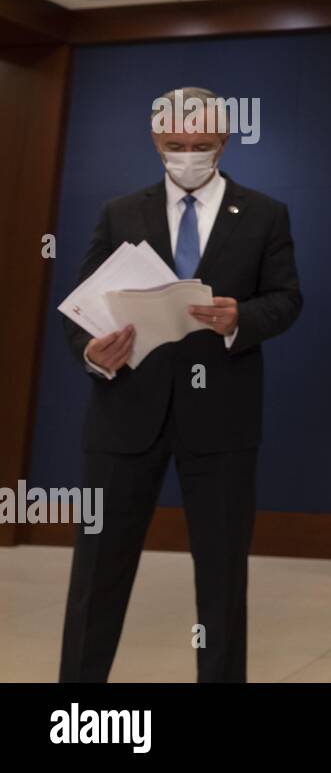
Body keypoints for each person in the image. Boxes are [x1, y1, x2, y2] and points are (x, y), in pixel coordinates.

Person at [59, 87, 302, 683]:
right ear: (155, 141)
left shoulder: (265, 213)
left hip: (221, 422)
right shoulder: (120, 212)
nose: (188, 155)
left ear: (224, 141)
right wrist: (93, 353)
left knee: (221, 579)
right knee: (97, 575)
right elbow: (78, 311)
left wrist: (240, 318)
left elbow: (287, 300)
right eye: (175, 145)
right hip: (124, 415)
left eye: (201, 145)